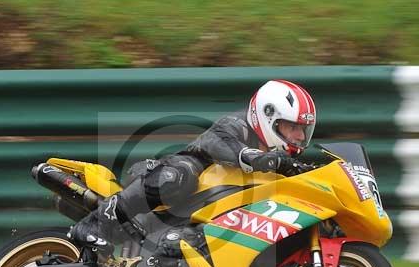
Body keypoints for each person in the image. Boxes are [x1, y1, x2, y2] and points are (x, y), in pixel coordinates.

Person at [68, 79, 318, 254]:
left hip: (209, 224)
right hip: (172, 185)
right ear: (269, 115)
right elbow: (215, 142)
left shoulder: (283, 162)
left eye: (302, 130)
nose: (298, 136)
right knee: (179, 175)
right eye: (292, 127)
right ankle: (95, 223)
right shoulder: (235, 125)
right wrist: (250, 156)